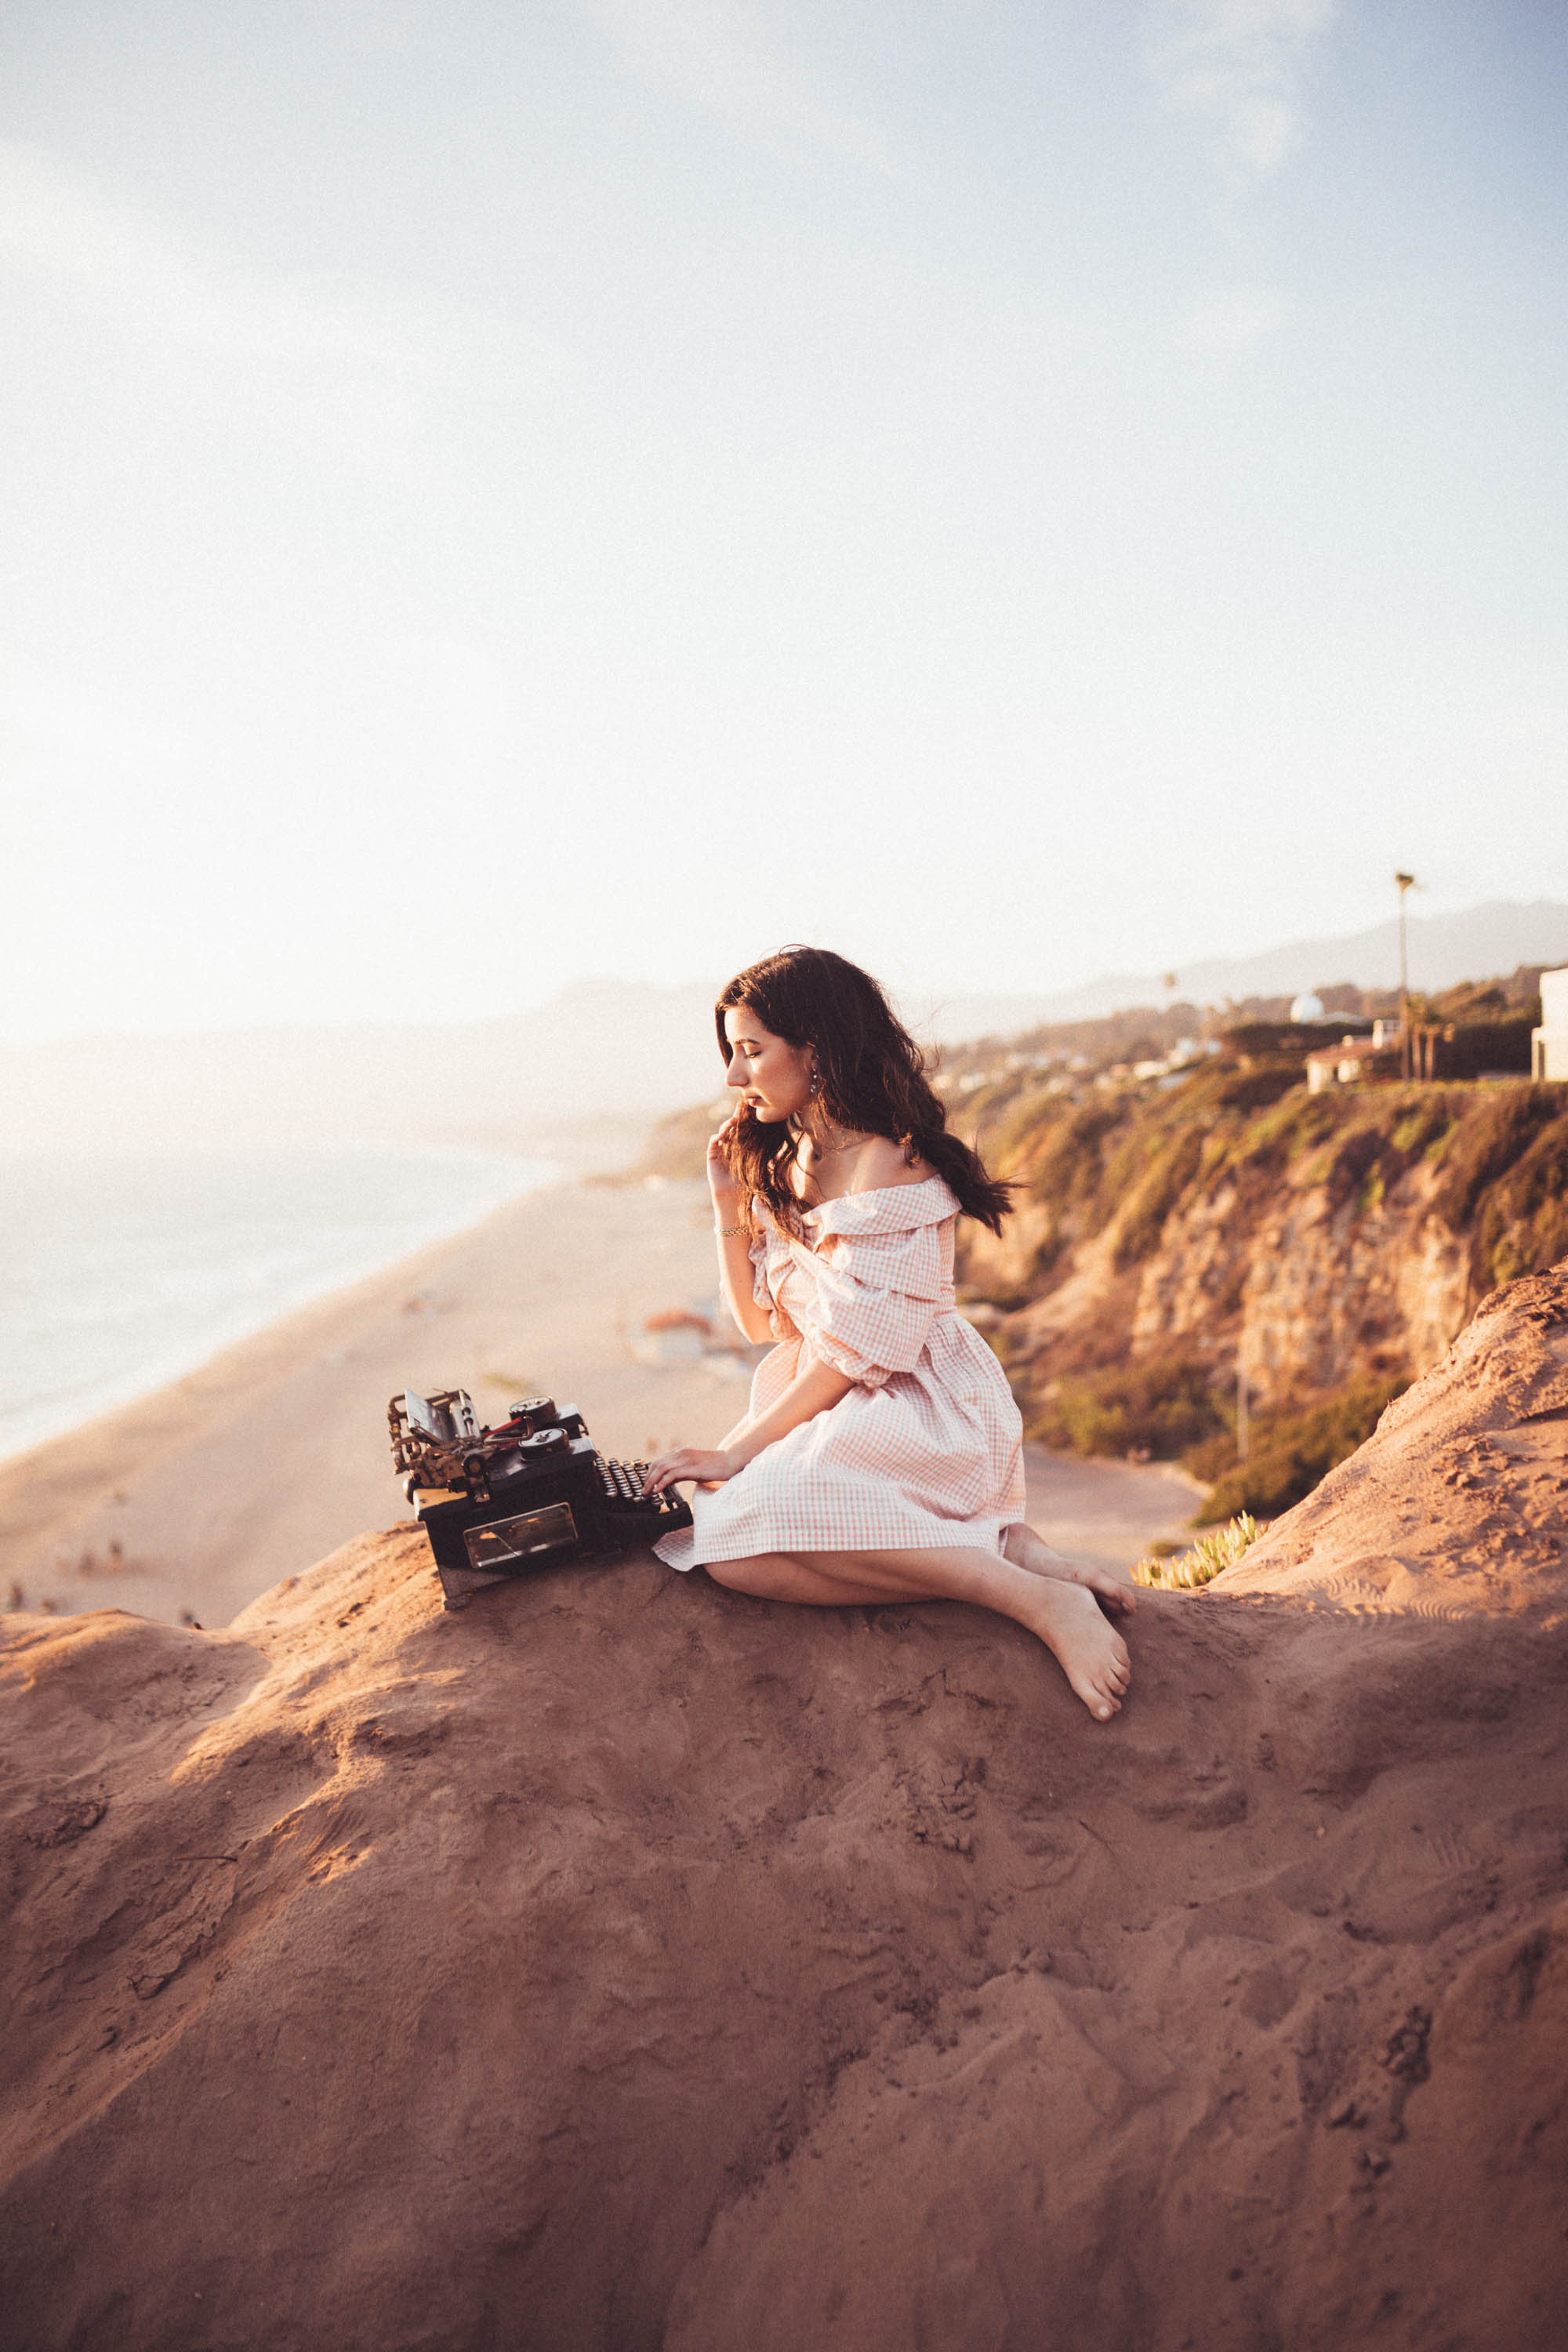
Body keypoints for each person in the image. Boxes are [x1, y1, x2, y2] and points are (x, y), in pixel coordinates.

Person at [644, 947, 1133, 1722]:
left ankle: (1036, 1602)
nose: (734, 1077)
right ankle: (997, 1550)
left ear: (813, 1049)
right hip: (831, 1399)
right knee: (732, 1554)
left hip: (921, 1402)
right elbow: (760, 1326)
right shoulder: (794, 1158)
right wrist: (727, 1203)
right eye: (731, 1054)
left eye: (751, 1051)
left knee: (778, 1496)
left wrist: (738, 1453)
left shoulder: (887, 1161)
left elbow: (854, 1357)